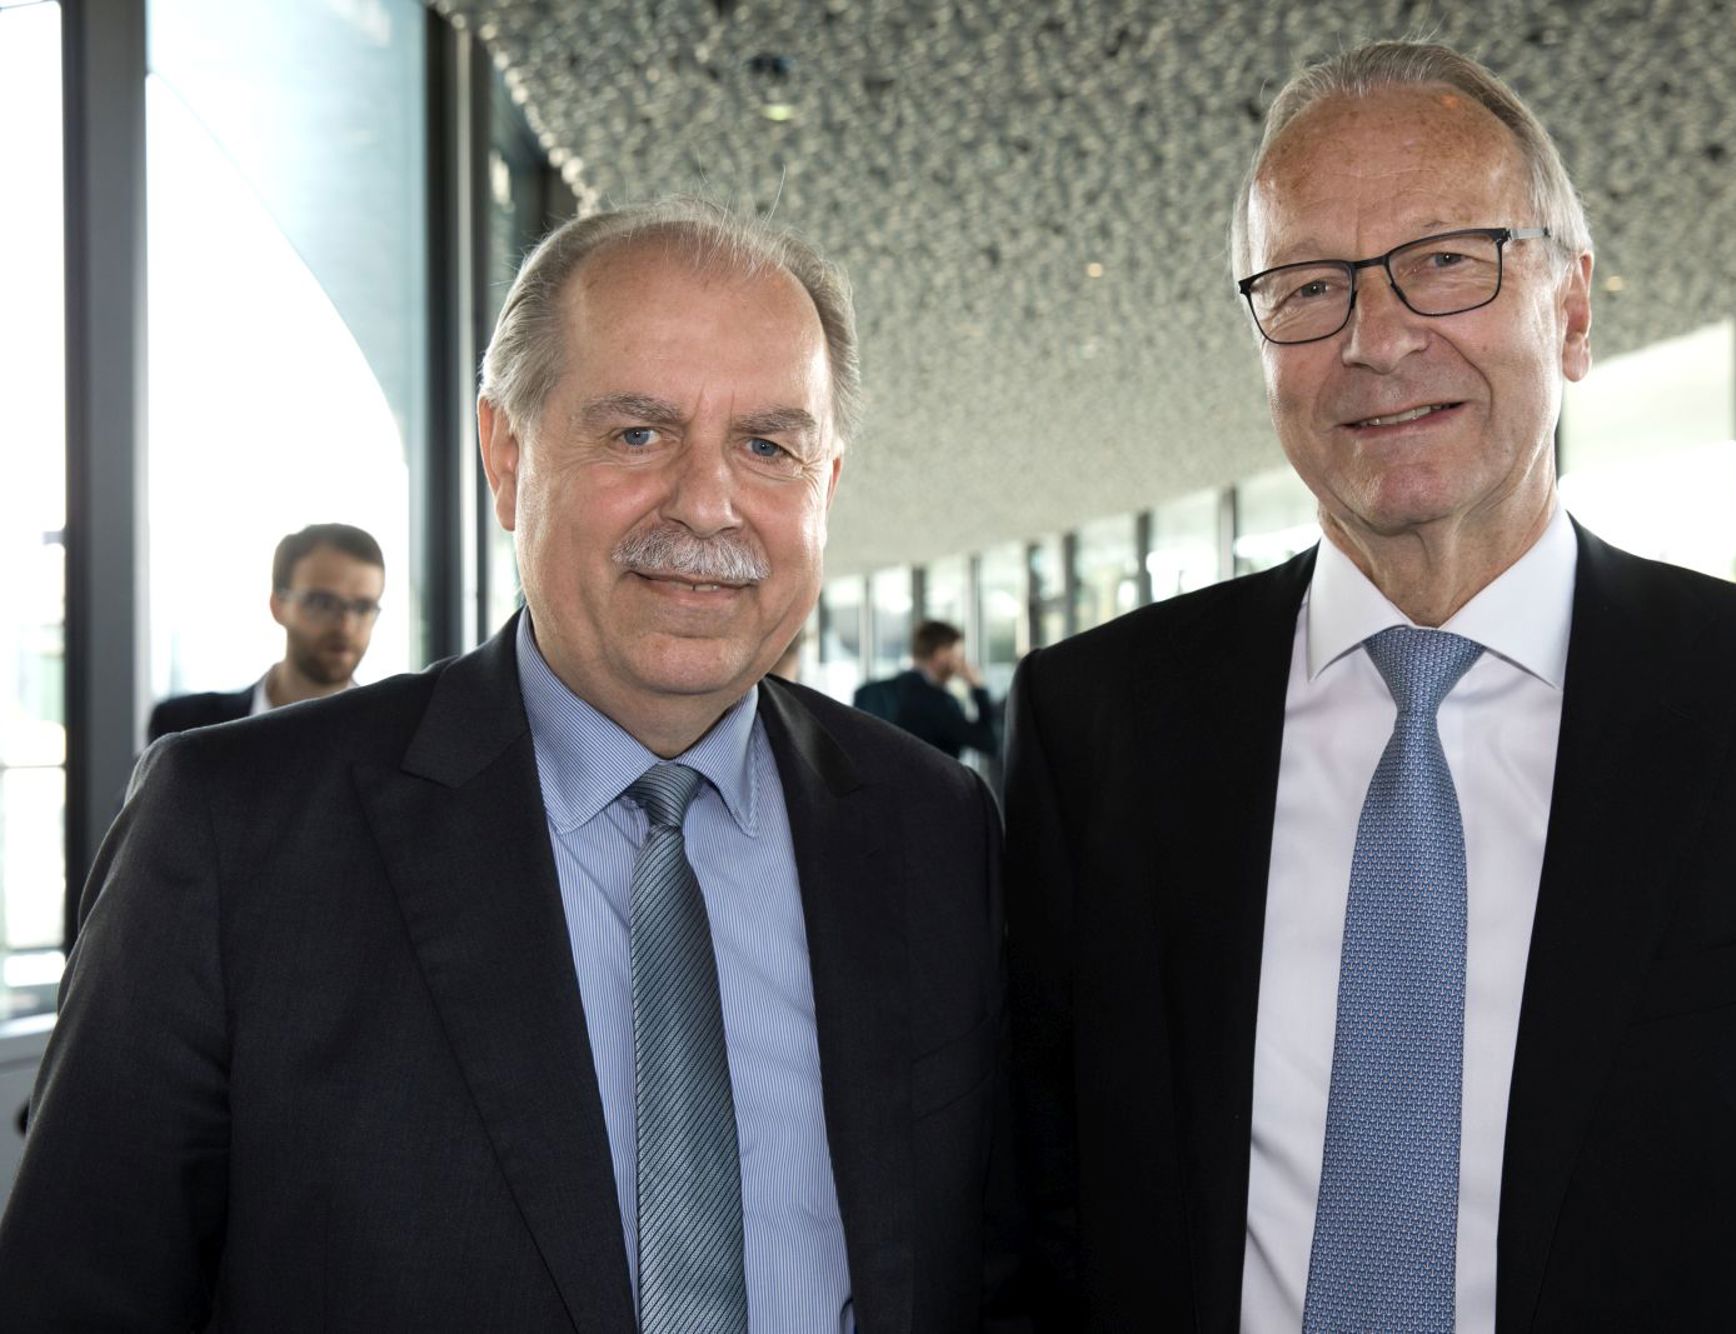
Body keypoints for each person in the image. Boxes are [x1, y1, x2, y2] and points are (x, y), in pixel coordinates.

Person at [1003, 40, 1736, 1332]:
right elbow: (1038, 1224)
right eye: (1309, 286)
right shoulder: (1099, 727)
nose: (1374, 339)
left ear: (1570, 312)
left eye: (1444, 261)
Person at [0, 198, 1016, 1331]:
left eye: (768, 446)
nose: (706, 503)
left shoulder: (933, 825)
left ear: (824, 486)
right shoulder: (235, 832)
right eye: (638, 433)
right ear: (506, 455)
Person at [145, 522, 385, 740]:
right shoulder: (183, 728)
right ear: (278, 606)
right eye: (322, 603)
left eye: (363, 607)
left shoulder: (390, 738)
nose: (345, 625)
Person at [856, 620, 1000, 760]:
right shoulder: (939, 702)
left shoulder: (871, 691)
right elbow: (991, 743)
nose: (961, 663)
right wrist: (978, 688)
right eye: (958, 656)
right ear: (941, 655)